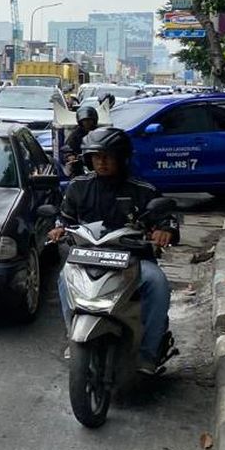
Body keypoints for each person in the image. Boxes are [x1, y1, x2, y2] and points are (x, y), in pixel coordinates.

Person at [48, 127, 178, 374]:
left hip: (133, 260)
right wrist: (58, 229)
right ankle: (72, 336)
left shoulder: (143, 189)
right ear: (88, 159)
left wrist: (165, 230)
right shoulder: (78, 187)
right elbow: (63, 218)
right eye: (96, 156)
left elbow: (166, 219)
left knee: (157, 283)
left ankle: (148, 354)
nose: (102, 162)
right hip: (87, 257)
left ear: (122, 157)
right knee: (65, 278)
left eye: (108, 156)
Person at [61, 105, 99, 177]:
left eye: (89, 120)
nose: (87, 123)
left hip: (96, 162)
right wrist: (70, 156)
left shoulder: (99, 132)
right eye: (84, 121)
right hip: (81, 165)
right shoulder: (76, 134)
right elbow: (68, 146)